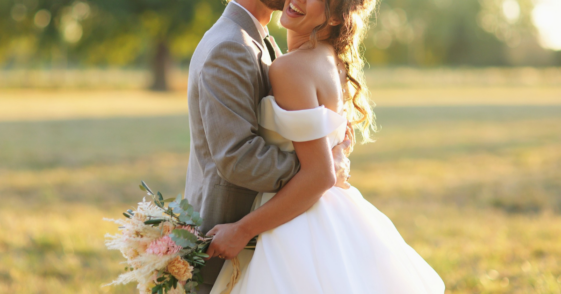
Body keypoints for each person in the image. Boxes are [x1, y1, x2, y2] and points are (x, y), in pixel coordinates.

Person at [204, 0, 446, 293]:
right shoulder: (330, 59)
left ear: (335, 16)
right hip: (331, 213)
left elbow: (319, 175)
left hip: (297, 227)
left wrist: (243, 230)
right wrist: (333, 160)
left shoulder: (291, 68)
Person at [184, 0, 353, 292]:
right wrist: (322, 169)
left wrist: (321, 167)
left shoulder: (265, 41)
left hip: (269, 236)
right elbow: (238, 159)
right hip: (224, 233)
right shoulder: (230, 46)